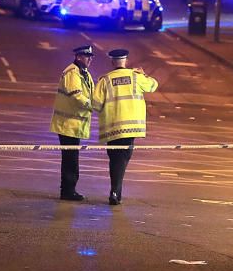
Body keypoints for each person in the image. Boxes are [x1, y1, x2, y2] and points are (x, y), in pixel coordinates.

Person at [91, 49, 158, 205]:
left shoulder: (105, 80)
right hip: (130, 127)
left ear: (112, 62)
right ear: (126, 61)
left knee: (115, 159)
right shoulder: (135, 77)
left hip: (112, 127)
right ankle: (115, 193)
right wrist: (144, 74)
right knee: (122, 159)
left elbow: (95, 104)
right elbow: (153, 85)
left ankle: (115, 192)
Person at [50, 45, 95, 201]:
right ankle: (68, 191)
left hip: (73, 124)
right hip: (67, 123)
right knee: (70, 159)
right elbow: (76, 95)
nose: (90, 59)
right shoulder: (72, 73)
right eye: (87, 56)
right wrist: (92, 105)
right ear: (78, 57)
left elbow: (91, 93)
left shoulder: (84, 74)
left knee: (71, 158)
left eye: (91, 57)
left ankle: (69, 190)